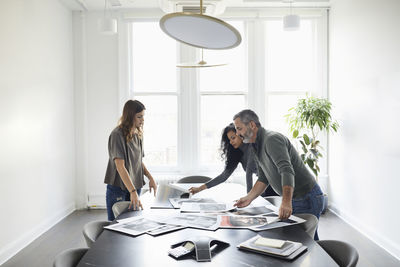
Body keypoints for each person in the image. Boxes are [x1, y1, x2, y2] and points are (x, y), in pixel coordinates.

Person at [233, 109, 324, 240]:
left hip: (306, 197)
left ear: (252, 125)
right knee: (300, 243)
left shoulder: (272, 139)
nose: (237, 133)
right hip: (295, 197)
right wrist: (249, 198)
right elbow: (263, 178)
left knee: (306, 244)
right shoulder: (256, 145)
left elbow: (286, 170)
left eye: (239, 128)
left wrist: (285, 202)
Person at [104, 100, 157, 221]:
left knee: (133, 223)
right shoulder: (117, 135)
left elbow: (138, 162)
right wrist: (132, 191)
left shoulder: (138, 134)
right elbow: (120, 166)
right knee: (115, 226)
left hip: (134, 186)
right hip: (119, 188)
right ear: (129, 116)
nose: (142, 120)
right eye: (139, 117)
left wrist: (150, 178)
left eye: (143, 116)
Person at [189, 123, 258, 195]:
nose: (231, 142)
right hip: (264, 184)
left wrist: (248, 198)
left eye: (233, 138)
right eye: (229, 140)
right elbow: (224, 176)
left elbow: (249, 173)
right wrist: (199, 188)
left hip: (269, 181)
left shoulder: (252, 146)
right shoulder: (238, 153)